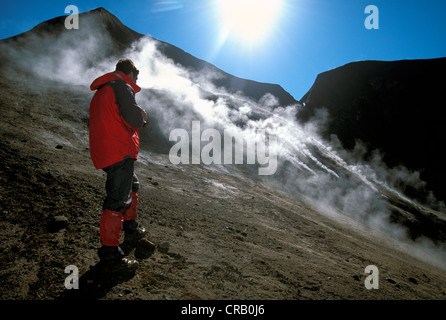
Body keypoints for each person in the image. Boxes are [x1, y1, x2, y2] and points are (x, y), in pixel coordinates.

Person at [89, 59, 147, 267]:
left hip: (106, 150)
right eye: (136, 75)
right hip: (119, 150)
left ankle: (130, 225)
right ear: (130, 73)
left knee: (132, 184)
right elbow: (133, 119)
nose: (136, 79)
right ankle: (111, 252)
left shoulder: (103, 90)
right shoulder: (121, 87)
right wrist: (142, 117)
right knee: (117, 200)